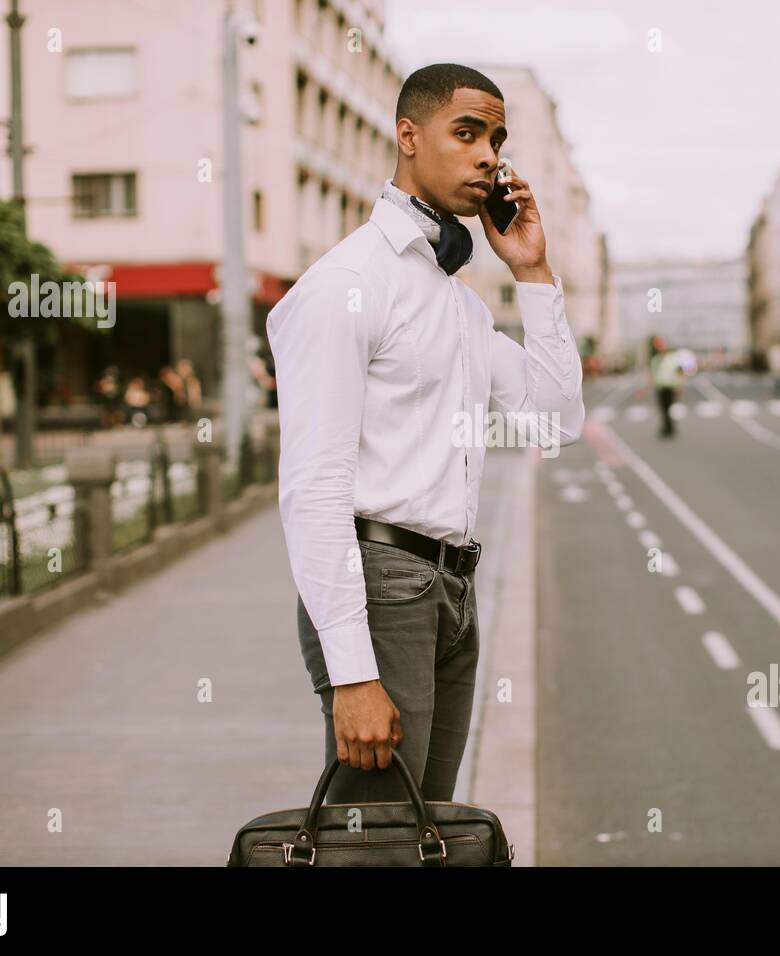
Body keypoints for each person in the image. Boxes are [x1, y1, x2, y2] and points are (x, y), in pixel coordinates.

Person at [268, 63, 584, 807]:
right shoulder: (348, 285)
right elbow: (313, 488)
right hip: (382, 590)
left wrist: (533, 273)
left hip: (451, 588)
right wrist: (351, 674)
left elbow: (555, 419)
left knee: (424, 834)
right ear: (408, 136)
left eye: (497, 139)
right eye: (467, 132)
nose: (488, 156)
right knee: (374, 843)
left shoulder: (459, 305)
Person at [649, 335, 684, 437]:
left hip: (671, 387)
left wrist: (679, 386)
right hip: (660, 387)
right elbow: (653, 375)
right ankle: (667, 427)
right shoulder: (655, 359)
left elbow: (680, 372)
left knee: (668, 408)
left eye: (661, 344)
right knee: (663, 408)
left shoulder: (673, 358)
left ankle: (669, 428)